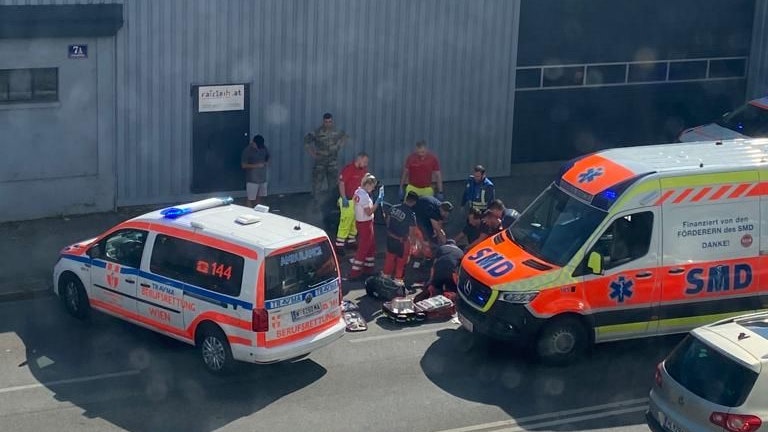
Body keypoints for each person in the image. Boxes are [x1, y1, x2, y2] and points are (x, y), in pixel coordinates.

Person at [304, 113, 349, 204]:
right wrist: (313, 154)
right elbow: (306, 141)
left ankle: (331, 203)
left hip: (333, 162)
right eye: (326, 122)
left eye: (330, 122)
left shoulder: (337, 131)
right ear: (323, 122)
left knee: (333, 184)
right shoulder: (317, 132)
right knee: (317, 183)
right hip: (320, 162)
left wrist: (338, 146)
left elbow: (345, 137)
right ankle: (315, 202)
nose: (328, 124)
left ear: (332, 121)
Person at [348, 174, 384, 280]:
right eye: (372, 186)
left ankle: (368, 269)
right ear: (367, 184)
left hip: (362, 222)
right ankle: (355, 273)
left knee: (370, 247)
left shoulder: (358, 191)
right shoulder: (364, 196)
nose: (373, 189)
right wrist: (377, 202)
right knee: (364, 248)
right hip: (365, 223)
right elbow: (369, 212)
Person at [382, 191, 420, 284]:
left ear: (406, 198)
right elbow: (412, 231)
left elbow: (387, 221)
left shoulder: (393, 208)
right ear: (414, 202)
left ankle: (385, 278)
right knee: (401, 262)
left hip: (390, 237)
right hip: (402, 241)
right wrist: (413, 245)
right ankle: (398, 281)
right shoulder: (411, 214)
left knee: (389, 258)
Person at [336, 152, 369, 252]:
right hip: (348, 200)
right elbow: (341, 183)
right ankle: (339, 244)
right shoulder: (348, 169)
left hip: (357, 200)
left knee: (355, 221)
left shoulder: (363, 170)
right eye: (365, 162)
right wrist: (344, 198)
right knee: (346, 221)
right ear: (359, 159)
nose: (366, 164)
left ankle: (351, 240)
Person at [241, 134, 270, 207]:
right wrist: (256, 165)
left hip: (262, 178)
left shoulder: (263, 147)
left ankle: (257, 209)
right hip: (252, 179)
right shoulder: (247, 151)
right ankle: (248, 210)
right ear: (253, 143)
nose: (259, 147)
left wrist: (266, 162)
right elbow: (243, 165)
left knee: (259, 196)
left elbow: (268, 156)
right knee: (250, 198)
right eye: (257, 146)